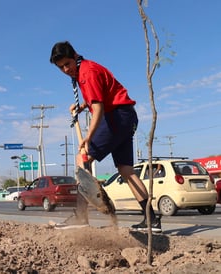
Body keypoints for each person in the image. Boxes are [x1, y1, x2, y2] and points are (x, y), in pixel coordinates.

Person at [49, 41, 161, 232]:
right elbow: (98, 96)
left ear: (74, 55)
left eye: (67, 64)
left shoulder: (86, 73)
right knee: (126, 170)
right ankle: (152, 221)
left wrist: (88, 137)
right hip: (126, 116)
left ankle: (81, 218)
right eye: (61, 67)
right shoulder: (87, 68)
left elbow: (99, 108)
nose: (65, 69)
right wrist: (83, 106)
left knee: (82, 158)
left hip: (115, 117)